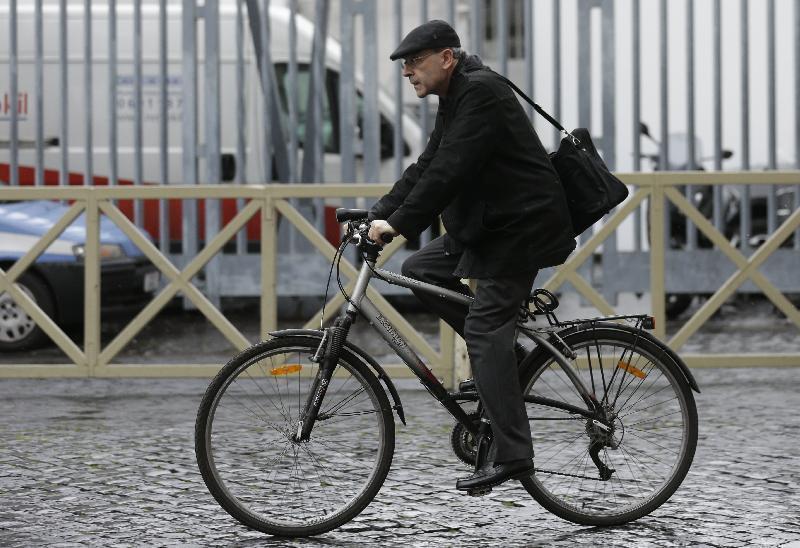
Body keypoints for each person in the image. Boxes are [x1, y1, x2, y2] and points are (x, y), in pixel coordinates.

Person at [367, 20, 576, 492]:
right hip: (490, 226)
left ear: (446, 58)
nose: (407, 72)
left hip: (521, 229)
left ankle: (514, 454)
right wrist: (377, 212)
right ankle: (509, 357)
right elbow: (427, 165)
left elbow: (449, 172)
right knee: (421, 269)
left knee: (483, 329)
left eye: (414, 62)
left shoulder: (480, 93)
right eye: (403, 66)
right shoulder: (457, 95)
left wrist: (397, 225)